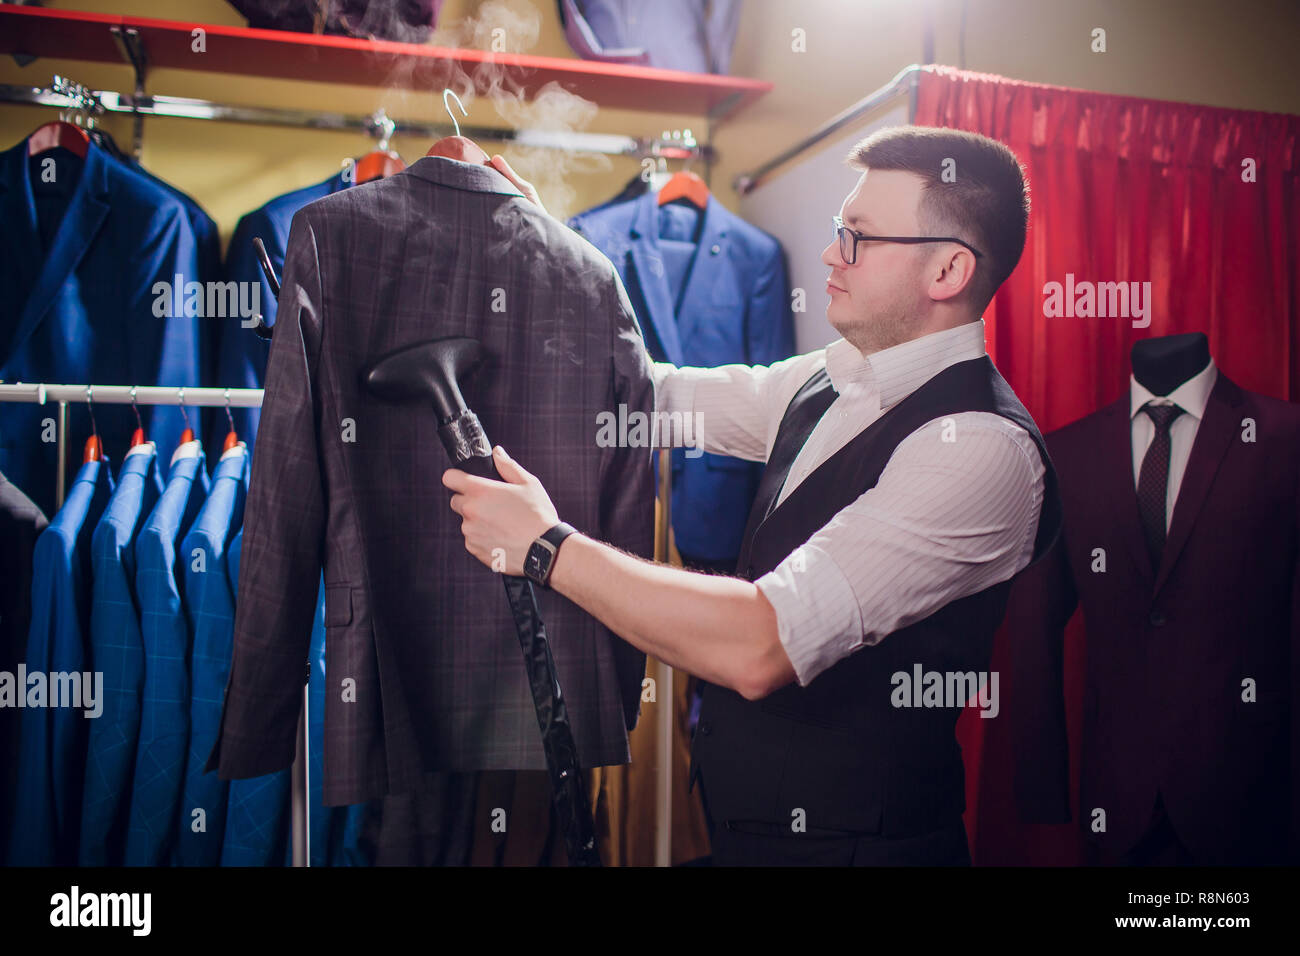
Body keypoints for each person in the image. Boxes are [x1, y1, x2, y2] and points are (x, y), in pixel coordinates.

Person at [447, 128, 1061, 865]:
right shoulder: (823, 379)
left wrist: (545, 548)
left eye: (858, 238)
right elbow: (643, 395)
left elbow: (760, 644)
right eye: (841, 231)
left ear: (949, 270)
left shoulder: (983, 450)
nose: (832, 254)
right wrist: (542, 244)